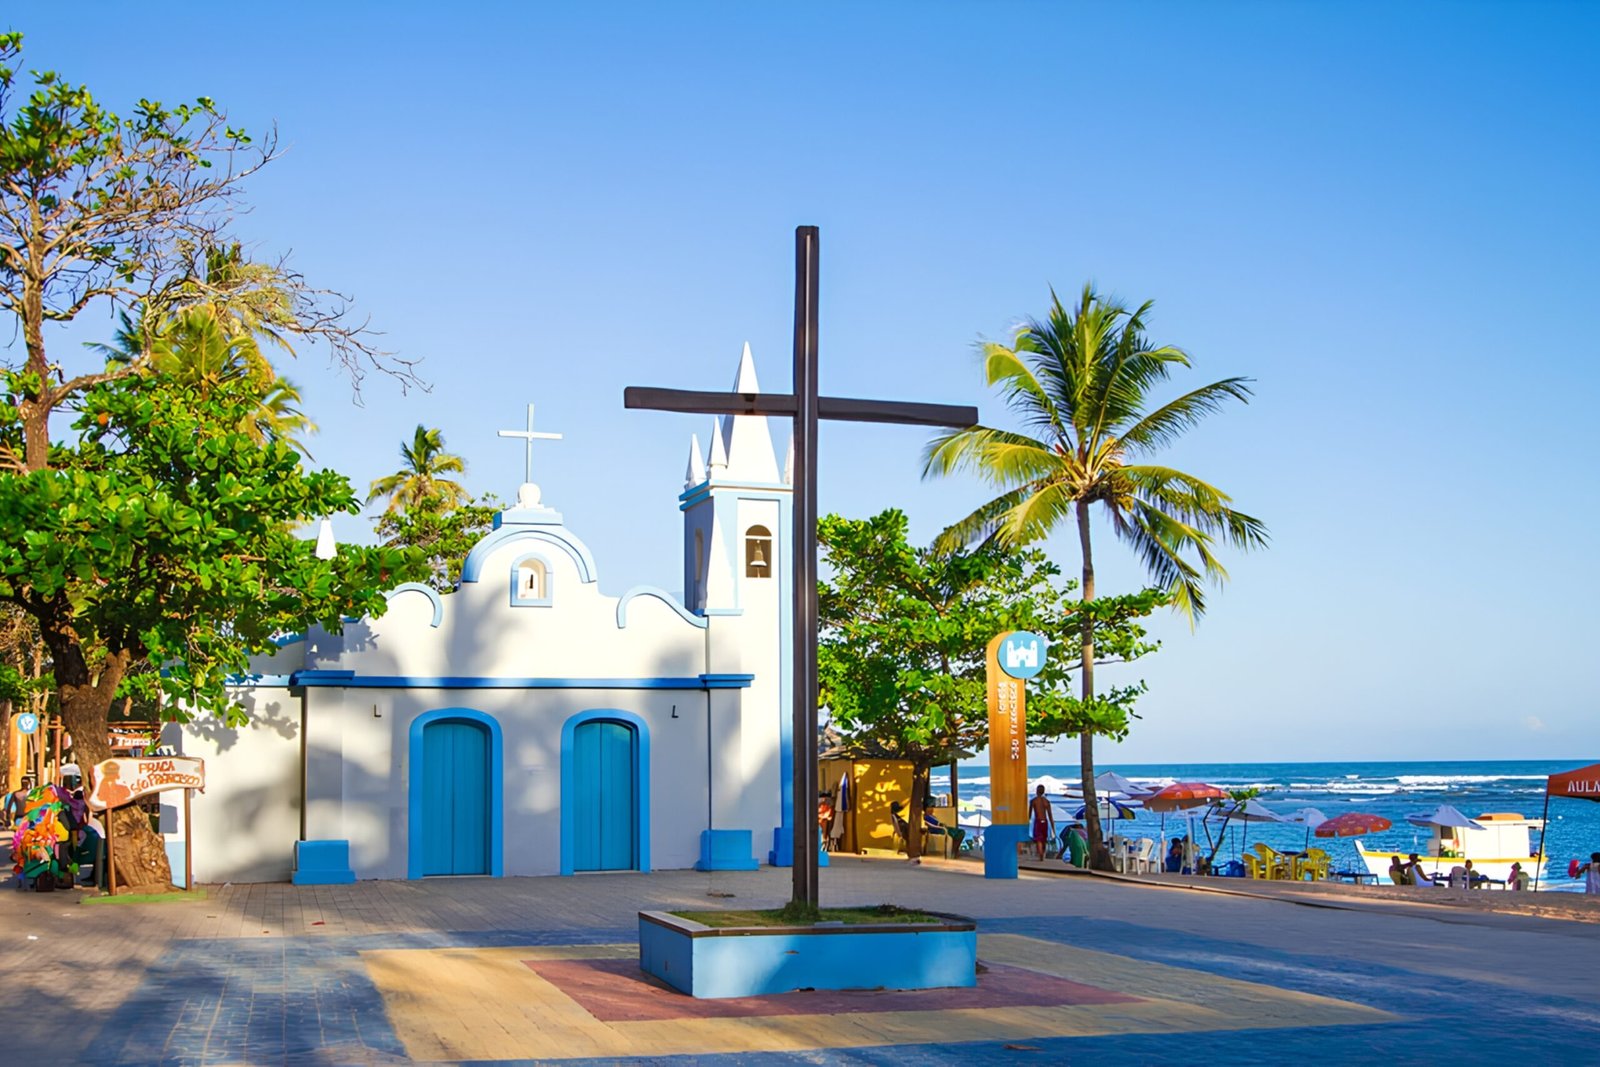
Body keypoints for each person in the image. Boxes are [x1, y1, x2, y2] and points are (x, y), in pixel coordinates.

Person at [1029, 785, 1055, 862]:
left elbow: (1029, 814)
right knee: (1044, 839)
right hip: (1045, 821)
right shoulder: (1046, 801)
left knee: (1038, 839)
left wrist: (1027, 823)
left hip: (1038, 821)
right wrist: (1053, 827)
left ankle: (1040, 854)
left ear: (1037, 791)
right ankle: (1042, 853)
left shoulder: (1033, 801)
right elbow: (1050, 815)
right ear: (1043, 792)